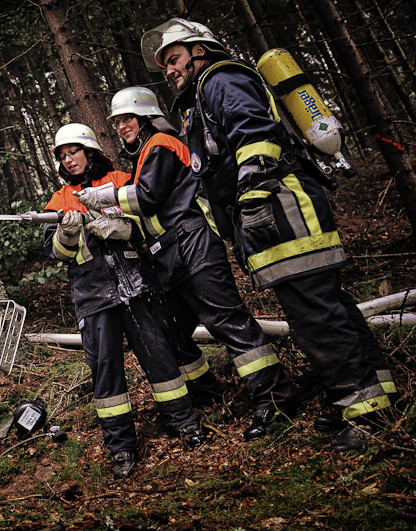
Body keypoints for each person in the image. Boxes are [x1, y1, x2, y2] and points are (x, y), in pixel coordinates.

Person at [143, 18, 397, 451]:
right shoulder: (201, 98)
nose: (169, 70)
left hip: (283, 213)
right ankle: (376, 394)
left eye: (174, 58)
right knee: (327, 305)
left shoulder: (220, 80)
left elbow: (255, 135)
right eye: (165, 64)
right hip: (272, 217)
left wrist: (253, 197)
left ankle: (366, 411)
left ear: (198, 51)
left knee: (315, 314)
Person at [76, 86, 298, 441]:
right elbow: (152, 208)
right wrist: (122, 224)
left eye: (127, 118)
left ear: (147, 116)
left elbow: (148, 198)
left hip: (195, 245)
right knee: (172, 330)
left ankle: (274, 397)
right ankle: (208, 392)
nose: (121, 126)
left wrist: (105, 196)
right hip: (171, 256)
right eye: (117, 122)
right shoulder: (145, 153)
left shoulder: (161, 143)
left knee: (227, 321)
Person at [44, 123, 205, 480]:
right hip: (93, 297)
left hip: (138, 285)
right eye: (62, 156)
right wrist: (67, 233)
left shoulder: (119, 180)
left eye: (73, 152)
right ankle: (121, 447)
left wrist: (125, 227)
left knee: (160, 356)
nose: (68, 160)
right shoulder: (58, 201)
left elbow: (148, 217)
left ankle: (183, 421)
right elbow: (57, 254)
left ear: (89, 151)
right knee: (106, 371)